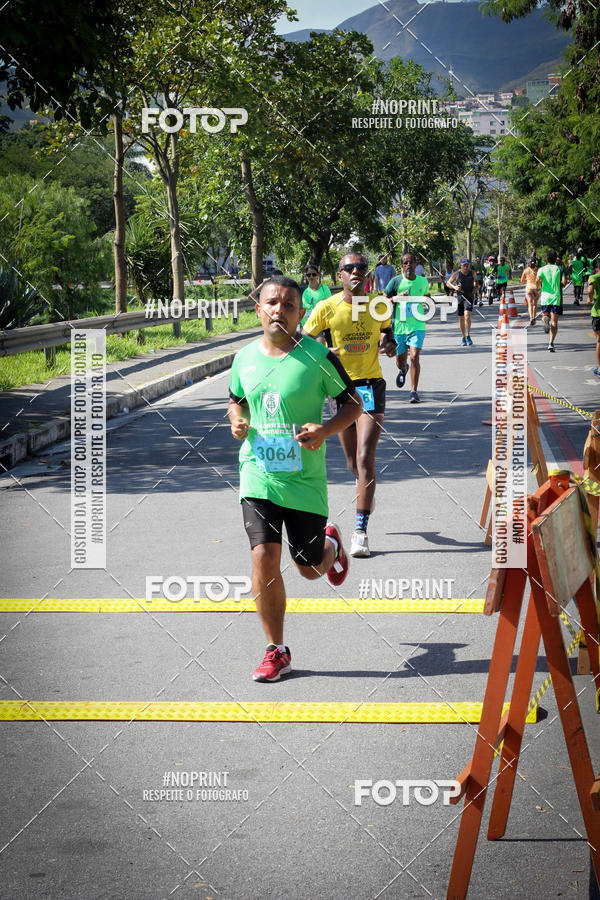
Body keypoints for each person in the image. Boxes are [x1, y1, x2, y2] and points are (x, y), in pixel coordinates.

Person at [228, 275, 362, 682]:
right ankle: (276, 649)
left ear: (301, 313)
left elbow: (354, 404)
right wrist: (238, 420)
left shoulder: (318, 357)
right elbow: (237, 400)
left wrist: (324, 431)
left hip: (304, 481)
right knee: (263, 557)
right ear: (258, 308)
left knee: (308, 568)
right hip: (257, 474)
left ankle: (330, 545)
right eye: (272, 303)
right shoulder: (244, 358)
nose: (278, 311)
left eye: (288, 305)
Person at [303, 253, 396, 558]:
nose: (356, 271)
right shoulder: (326, 307)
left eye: (361, 267)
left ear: (367, 274)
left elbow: (388, 332)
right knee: (352, 464)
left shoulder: (378, 304)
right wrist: (323, 350)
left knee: (365, 455)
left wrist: (389, 344)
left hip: (371, 385)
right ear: (339, 275)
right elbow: (302, 341)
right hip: (340, 389)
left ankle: (360, 531)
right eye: (349, 268)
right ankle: (363, 489)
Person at [385, 252, 433, 401]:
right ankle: (403, 369)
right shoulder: (395, 282)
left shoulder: (422, 281)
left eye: (411, 262)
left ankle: (413, 391)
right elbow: (383, 300)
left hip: (417, 326)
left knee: (414, 357)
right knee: (400, 361)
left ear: (416, 264)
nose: (408, 265)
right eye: (405, 263)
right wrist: (396, 298)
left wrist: (427, 300)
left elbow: (428, 297)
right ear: (401, 266)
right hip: (399, 327)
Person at [537, 249, 566, 352]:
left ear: (546, 259)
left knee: (545, 315)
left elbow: (537, 281)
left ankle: (545, 318)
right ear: (555, 259)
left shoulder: (541, 269)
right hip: (556, 298)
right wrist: (560, 284)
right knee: (554, 322)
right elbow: (564, 282)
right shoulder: (559, 269)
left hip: (545, 298)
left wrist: (540, 287)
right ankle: (551, 343)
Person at [447, 258, 475, 346]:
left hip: (469, 297)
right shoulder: (457, 274)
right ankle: (463, 337)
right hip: (460, 298)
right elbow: (448, 283)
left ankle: (468, 335)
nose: (466, 267)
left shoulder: (472, 273)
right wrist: (454, 287)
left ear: (469, 265)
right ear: (461, 266)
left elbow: (476, 282)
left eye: (467, 265)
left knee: (467, 316)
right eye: (464, 265)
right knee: (461, 318)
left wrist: (475, 288)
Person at [587, 260, 600, 375]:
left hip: (598, 313)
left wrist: (590, 299)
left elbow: (590, 290)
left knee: (599, 341)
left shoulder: (594, 277)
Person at [521, 257, 539, 325]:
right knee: (535, 304)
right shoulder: (538, 270)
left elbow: (522, 280)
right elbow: (540, 279)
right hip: (536, 289)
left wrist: (528, 280)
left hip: (528, 289)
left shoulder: (526, 270)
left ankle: (531, 318)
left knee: (530, 304)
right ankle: (534, 318)